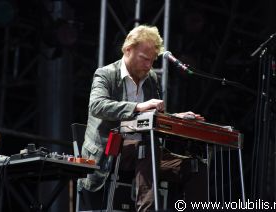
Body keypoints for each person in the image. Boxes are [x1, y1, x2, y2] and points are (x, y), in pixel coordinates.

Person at [77, 25, 205, 211]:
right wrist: (137, 106)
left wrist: (176, 118)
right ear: (128, 49)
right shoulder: (105, 74)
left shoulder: (151, 78)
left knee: (194, 166)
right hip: (110, 153)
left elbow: (154, 117)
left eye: (152, 61)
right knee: (146, 148)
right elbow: (97, 106)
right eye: (144, 59)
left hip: (145, 153)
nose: (148, 65)